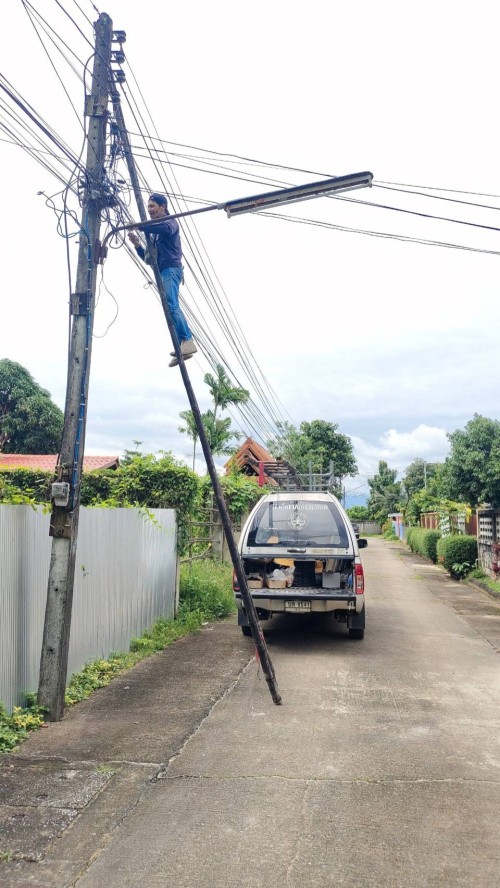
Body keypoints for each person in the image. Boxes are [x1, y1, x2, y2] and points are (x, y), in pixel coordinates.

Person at [128, 193, 197, 368]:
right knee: (169, 306)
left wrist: (142, 226)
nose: (149, 210)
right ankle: (183, 345)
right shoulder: (155, 233)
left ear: (163, 207)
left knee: (171, 304)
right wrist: (137, 244)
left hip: (171, 270)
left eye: (152, 206)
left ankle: (187, 341)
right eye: (148, 207)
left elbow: (164, 229)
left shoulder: (170, 222)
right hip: (163, 270)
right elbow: (149, 260)